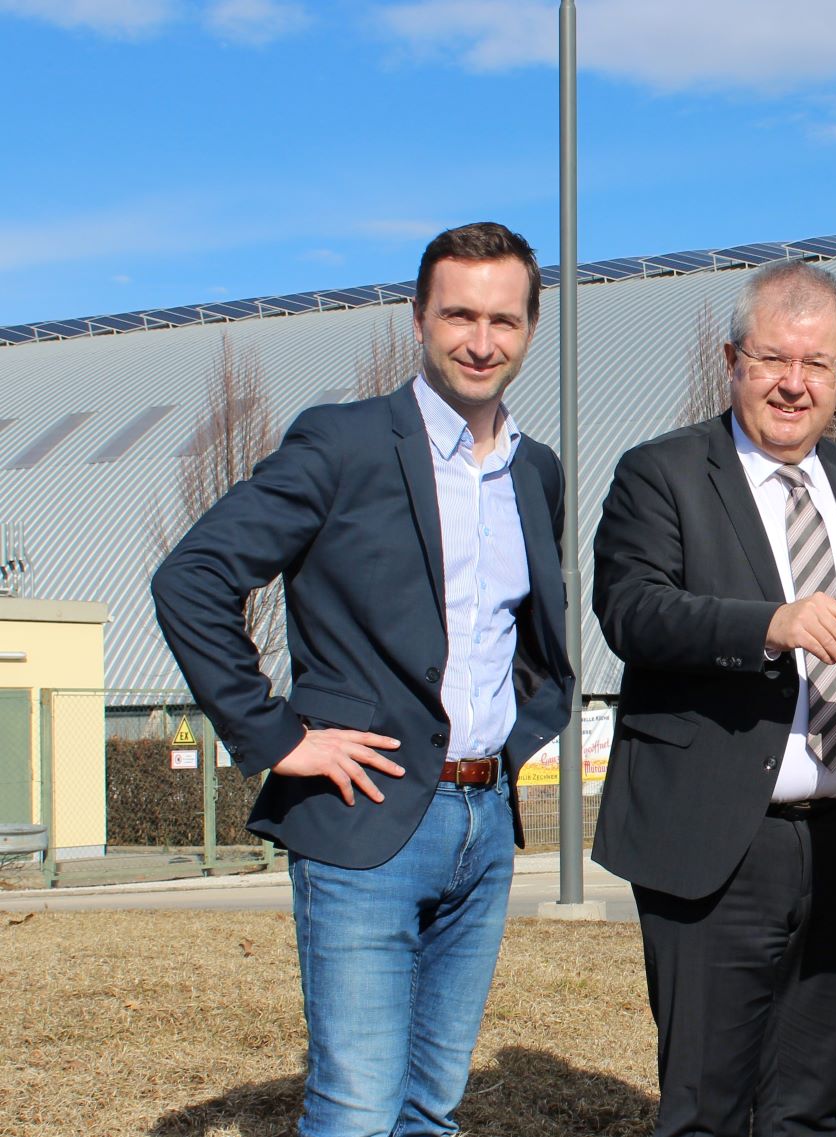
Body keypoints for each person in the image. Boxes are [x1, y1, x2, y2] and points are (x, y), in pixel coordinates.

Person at [150, 222, 574, 1137]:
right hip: (364, 819)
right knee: (355, 1108)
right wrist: (277, 736)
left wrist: (514, 738)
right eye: (458, 315)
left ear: (531, 328)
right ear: (418, 318)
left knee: (432, 1107)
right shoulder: (343, 444)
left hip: (485, 822)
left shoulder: (535, 471)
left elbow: (527, 630)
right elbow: (193, 578)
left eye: (503, 319)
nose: (481, 341)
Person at [591, 259, 836, 1137]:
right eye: (774, 358)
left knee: (812, 1105)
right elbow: (632, 609)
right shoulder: (661, 472)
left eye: (816, 363)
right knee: (707, 1109)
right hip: (717, 840)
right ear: (732, 359)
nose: (793, 383)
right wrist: (770, 624)